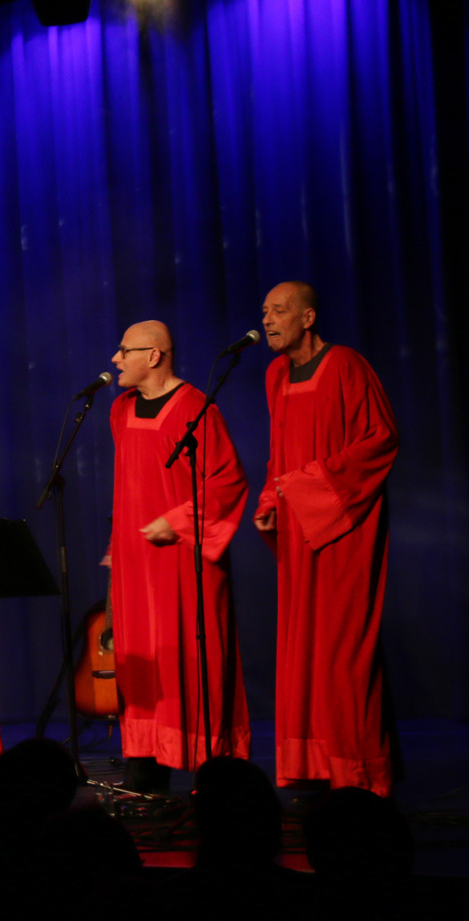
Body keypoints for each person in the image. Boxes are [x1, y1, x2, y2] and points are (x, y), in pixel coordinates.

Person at [253, 281, 399, 796]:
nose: (267, 320)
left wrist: (309, 487)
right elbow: (279, 449)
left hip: (342, 524)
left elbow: (380, 438)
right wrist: (271, 500)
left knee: (343, 654)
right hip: (296, 526)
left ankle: (358, 777)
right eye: (265, 312)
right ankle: (314, 766)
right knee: (304, 648)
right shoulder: (275, 375)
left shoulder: (346, 365)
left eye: (279, 311)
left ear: (308, 318)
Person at [106, 321, 250, 791]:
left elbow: (227, 482)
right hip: (136, 559)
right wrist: (117, 545)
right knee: (141, 660)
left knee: (189, 657)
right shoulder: (120, 410)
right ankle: (145, 765)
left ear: (153, 355)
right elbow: (130, 483)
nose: (115, 359)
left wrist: (181, 520)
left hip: (182, 557)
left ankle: (212, 774)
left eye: (124, 350)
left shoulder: (196, 409)